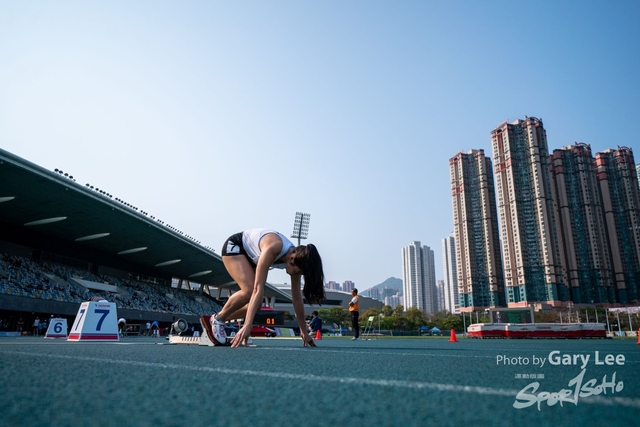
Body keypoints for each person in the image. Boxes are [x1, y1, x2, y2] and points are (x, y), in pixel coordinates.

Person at [205, 228, 325, 348]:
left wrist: (304, 331)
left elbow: (297, 298)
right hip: (236, 247)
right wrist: (247, 325)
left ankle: (216, 318)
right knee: (250, 291)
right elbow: (258, 289)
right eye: (297, 272)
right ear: (292, 259)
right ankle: (218, 319)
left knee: (256, 306)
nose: (295, 275)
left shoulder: (297, 258)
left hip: (252, 257)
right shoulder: (273, 248)